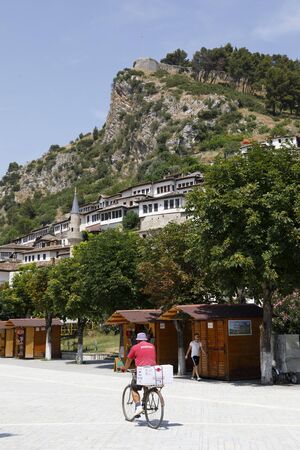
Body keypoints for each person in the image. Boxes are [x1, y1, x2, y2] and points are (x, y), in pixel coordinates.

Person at [122, 332, 156, 417]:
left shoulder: (135, 347)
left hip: (141, 371)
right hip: (153, 371)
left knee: (133, 388)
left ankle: (138, 407)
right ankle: (144, 404)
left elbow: (129, 360)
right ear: (146, 339)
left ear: (138, 340)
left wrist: (125, 368)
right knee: (146, 386)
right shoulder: (152, 346)